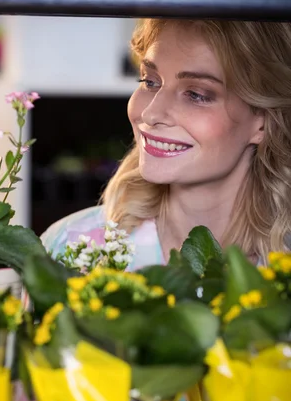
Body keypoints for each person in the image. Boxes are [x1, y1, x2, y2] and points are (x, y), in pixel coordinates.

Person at [42, 19, 291, 265]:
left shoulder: (283, 270)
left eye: (196, 94)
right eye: (149, 82)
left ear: (264, 121)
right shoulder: (68, 248)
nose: (150, 114)